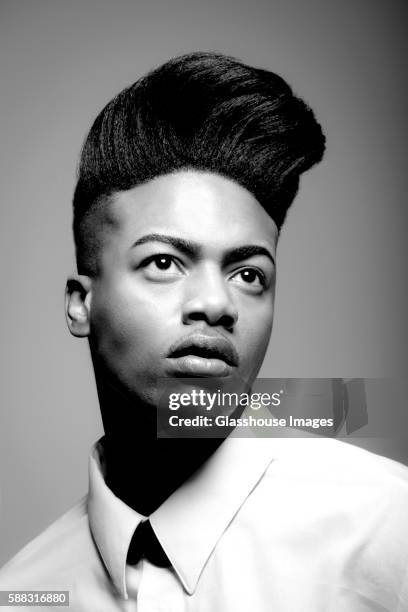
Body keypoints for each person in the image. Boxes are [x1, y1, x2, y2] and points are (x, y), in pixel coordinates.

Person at [1, 51, 407, 611]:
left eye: (248, 274)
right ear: (80, 304)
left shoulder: (387, 529)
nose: (217, 304)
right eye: (165, 263)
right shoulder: (23, 592)